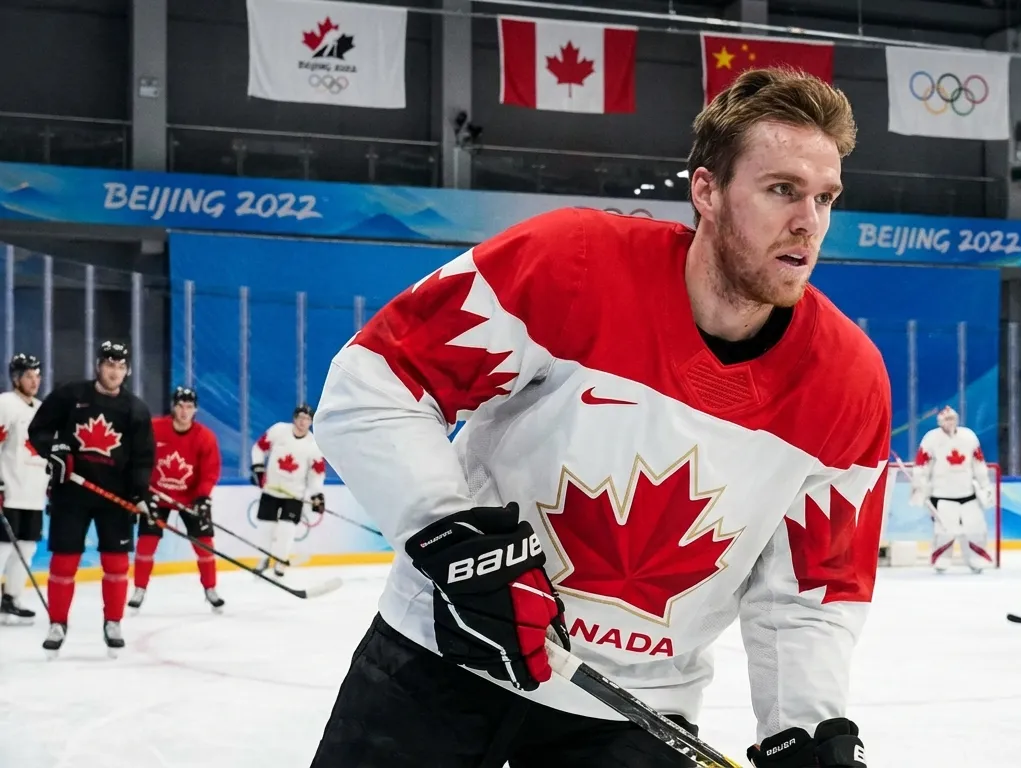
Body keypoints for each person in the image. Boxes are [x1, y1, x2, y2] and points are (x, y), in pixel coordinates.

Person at [309, 68, 886, 768]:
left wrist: (804, 727)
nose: (809, 223)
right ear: (705, 190)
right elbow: (375, 382)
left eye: (826, 197)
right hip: (445, 658)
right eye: (782, 190)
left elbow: (812, 590)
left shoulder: (847, 382)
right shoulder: (570, 267)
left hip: (628, 710)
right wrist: (454, 543)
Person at [27, 340, 155, 657]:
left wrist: (140, 494)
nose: (114, 371)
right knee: (64, 561)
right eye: (109, 365)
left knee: (115, 563)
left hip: (115, 498)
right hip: (71, 494)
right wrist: (53, 450)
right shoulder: (72, 395)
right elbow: (38, 429)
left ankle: (113, 622)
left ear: (127, 370)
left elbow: (142, 458)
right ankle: (57, 623)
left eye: (120, 367)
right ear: (99, 365)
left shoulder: (135, 409)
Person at [131, 386, 224, 613]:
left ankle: (210, 589)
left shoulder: (205, 437)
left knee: (204, 544)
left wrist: (203, 497)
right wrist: (142, 491)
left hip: (190, 497)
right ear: (173, 407)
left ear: (195, 410)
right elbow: (138, 459)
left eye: (189, 407)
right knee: (146, 543)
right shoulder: (154, 429)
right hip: (156, 496)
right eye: (180, 406)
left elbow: (210, 471)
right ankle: (139, 589)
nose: (184, 411)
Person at [909, 406, 995, 573]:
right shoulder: (931, 439)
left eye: (952, 419)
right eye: (946, 419)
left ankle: (976, 558)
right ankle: (941, 559)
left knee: (976, 528)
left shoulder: (968, 436)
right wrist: (919, 485)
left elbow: (978, 463)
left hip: (968, 492)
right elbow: (922, 465)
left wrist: (985, 485)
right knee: (944, 531)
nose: (950, 422)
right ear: (940, 422)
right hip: (942, 494)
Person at [249, 403, 325, 577]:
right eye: (300, 417)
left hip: (294, 495)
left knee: (286, 529)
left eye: (307, 419)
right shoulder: (279, 431)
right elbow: (259, 448)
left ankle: (280, 561)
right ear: (294, 418)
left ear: (311, 422)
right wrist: (258, 468)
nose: (303, 422)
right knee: (266, 527)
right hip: (271, 490)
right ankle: (264, 558)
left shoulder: (313, 445)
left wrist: (316, 495)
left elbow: (317, 473)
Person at [0, 354, 48, 624]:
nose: (35, 380)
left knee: (27, 548)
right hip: (9, 490)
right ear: (16, 378)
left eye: (37, 375)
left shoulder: (42, 409)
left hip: (33, 493)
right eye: (29, 375)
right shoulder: (5, 403)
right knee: (3, 548)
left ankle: (11, 597)